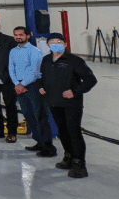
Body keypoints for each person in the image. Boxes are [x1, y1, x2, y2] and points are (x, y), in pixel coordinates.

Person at [38, 33, 97, 178]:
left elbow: (91, 80)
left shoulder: (74, 60)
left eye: (59, 41)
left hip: (71, 104)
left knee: (73, 131)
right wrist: (42, 86)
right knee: (62, 131)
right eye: (52, 42)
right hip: (53, 102)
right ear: (48, 45)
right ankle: (69, 156)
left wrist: (75, 92)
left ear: (64, 44)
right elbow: (42, 76)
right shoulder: (46, 60)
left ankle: (79, 164)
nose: (56, 44)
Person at [10, 26, 57, 157]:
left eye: (21, 34)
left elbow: (35, 71)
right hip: (19, 86)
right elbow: (10, 68)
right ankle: (39, 142)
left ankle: (48, 147)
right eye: (16, 35)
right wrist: (16, 84)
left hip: (33, 86)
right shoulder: (13, 51)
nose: (18, 37)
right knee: (29, 115)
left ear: (28, 36)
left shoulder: (34, 51)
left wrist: (22, 84)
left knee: (40, 117)